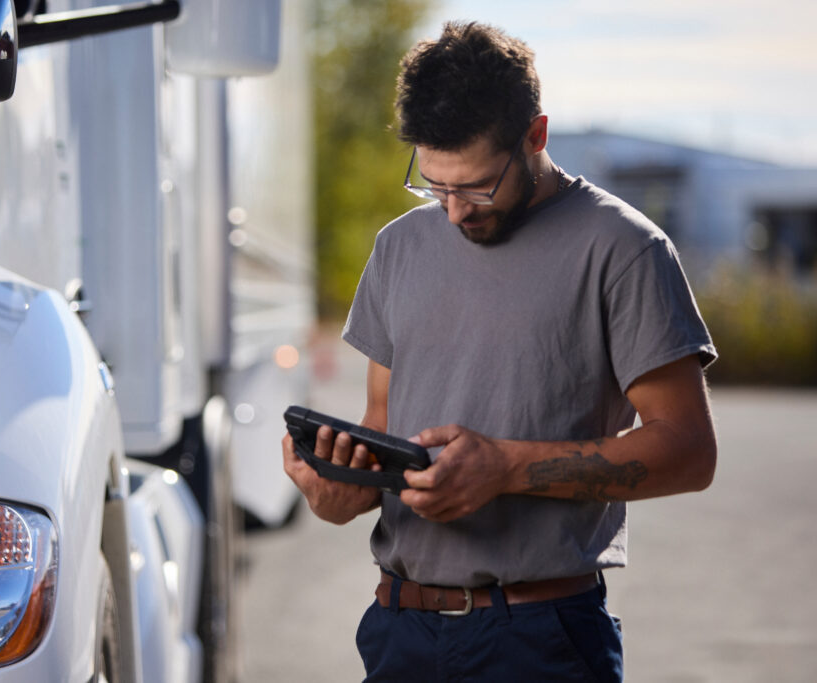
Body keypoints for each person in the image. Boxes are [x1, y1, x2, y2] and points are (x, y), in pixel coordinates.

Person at [282, 20, 717, 682]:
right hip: (398, 628)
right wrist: (341, 489)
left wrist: (504, 468)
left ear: (535, 135)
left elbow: (688, 449)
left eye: (478, 186)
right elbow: (382, 424)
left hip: (540, 640)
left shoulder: (626, 248)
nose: (455, 211)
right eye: (435, 184)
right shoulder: (398, 248)